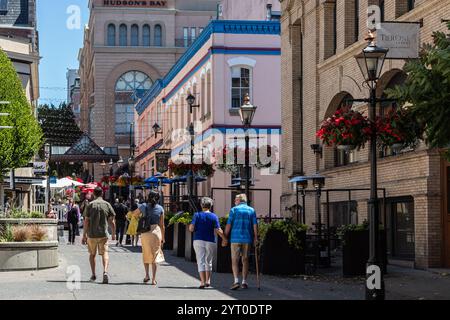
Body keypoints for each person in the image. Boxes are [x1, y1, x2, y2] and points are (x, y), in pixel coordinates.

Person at [189, 197, 227, 289]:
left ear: (201, 205)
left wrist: (191, 227)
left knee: (200, 261)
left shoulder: (197, 215)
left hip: (198, 239)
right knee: (208, 261)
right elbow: (218, 229)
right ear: (211, 206)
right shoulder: (214, 216)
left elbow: (191, 228)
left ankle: (202, 282)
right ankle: (208, 280)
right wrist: (224, 239)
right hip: (210, 240)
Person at [128, 191, 165, 285]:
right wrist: (163, 238)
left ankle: (147, 275)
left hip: (145, 232)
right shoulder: (160, 208)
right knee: (155, 255)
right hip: (156, 231)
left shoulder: (143, 206)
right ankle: (154, 279)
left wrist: (141, 218)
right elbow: (162, 225)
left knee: (146, 253)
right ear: (158, 198)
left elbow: (134, 215)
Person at [82, 187, 116, 284]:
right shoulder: (107, 204)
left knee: (92, 255)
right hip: (103, 234)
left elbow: (86, 221)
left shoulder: (90, 205)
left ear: (94, 194)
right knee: (105, 253)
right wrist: (113, 233)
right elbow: (111, 221)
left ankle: (93, 274)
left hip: (92, 234)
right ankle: (105, 272)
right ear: (102, 194)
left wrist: (84, 235)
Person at [225, 194, 258, 290]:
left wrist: (225, 236)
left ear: (239, 200)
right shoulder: (251, 210)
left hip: (235, 238)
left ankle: (236, 281)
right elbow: (255, 225)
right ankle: (244, 281)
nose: (235, 201)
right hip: (247, 238)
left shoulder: (234, 210)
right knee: (245, 259)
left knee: (234, 260)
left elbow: (228, 224)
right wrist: (256, 237)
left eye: (236, 199)